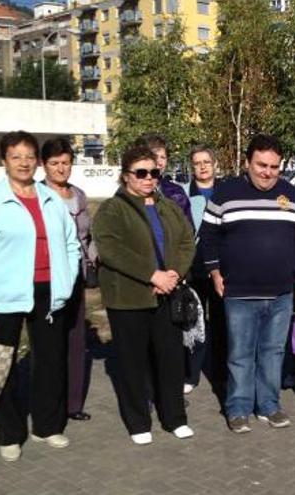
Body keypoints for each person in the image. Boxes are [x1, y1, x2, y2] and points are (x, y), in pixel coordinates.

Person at [0, 130, 80, 462]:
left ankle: (47, 426)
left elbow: (71, 244)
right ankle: (9, 434)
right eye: (16, 156)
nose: (24, 162)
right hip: (4, 296)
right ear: (4, 162)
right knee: (1, 366)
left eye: (29, 156)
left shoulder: (50, 200)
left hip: (49, 294)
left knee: (50, 362)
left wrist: (67, 280)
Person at [201, 134, 295, 433]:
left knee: (273, 354)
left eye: (274, 166)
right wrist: (215, 272)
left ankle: (269, 406)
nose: (267, 172)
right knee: (240, 355)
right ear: (248, 162)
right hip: (239, 293)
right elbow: (207, 237)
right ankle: (238, 408)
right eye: (261, 165)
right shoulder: (225, 193)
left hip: (281, 294)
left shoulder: (292, 195)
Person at [92, 146, 196, 445]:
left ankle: (175, 417)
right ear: (126, 176)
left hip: (167, 295)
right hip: (129, 299)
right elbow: (111, 249)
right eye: (141, 173)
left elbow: (187, 239)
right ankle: (138, 421)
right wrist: (152, 274)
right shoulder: (113, 209)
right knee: (133, 363)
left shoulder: (167, 206)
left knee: (170, 360)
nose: (149, 178)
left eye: (154, 172)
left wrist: (175, 272)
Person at [40, 137, 97, 422]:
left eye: (66, 163)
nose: (61, 169)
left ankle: (73, 404)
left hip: (76, 275)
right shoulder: (37, 196)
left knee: (76, 340)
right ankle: (51, 402)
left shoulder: (79, 195)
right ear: (44, 165)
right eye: (54, 163)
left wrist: (97, 261)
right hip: (47, 277)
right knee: (51, 342)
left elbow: (88, 236)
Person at [182, 145, 222, 394]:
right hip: (194, 266)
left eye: (207, 161)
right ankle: (191, 373)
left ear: (215, 164)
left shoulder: (226, 192)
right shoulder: (184, 194)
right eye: (197, 163)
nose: (203, 166)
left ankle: (219, 371)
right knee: (194, 322)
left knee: (221, 321)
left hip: (221, 266)